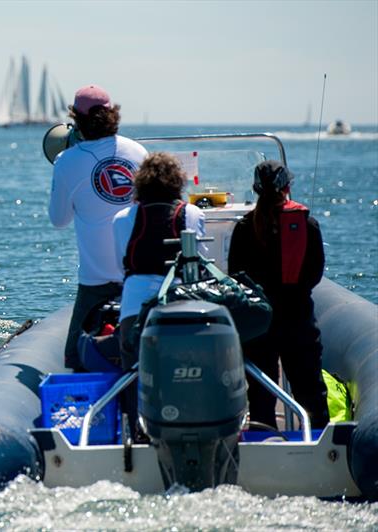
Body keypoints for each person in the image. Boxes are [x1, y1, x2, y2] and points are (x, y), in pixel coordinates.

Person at [48, 84, 148, 370]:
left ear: (76, 121)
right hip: (138, 276)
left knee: (75, 359)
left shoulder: (67, 161)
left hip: (96, 281)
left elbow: (59, 220)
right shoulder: (138, 151)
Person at [228, 160, 329, 429]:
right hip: (298, 320)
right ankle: (318, 444)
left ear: (256, 189)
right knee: (311, 392)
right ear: (287, 186)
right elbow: (314, 274)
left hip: (260, 324)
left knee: (261, 396)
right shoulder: (308, 224)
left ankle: (265, 443)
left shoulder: (244, 227)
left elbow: (236, 276)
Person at [112, 152, 206, 439]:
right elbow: (200, 263)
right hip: (182, 308)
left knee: (133, 372)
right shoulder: (192, 214)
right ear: (177, 182)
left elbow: (121, 266)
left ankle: (135, 434)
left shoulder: (121, 218)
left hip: (134, 309)